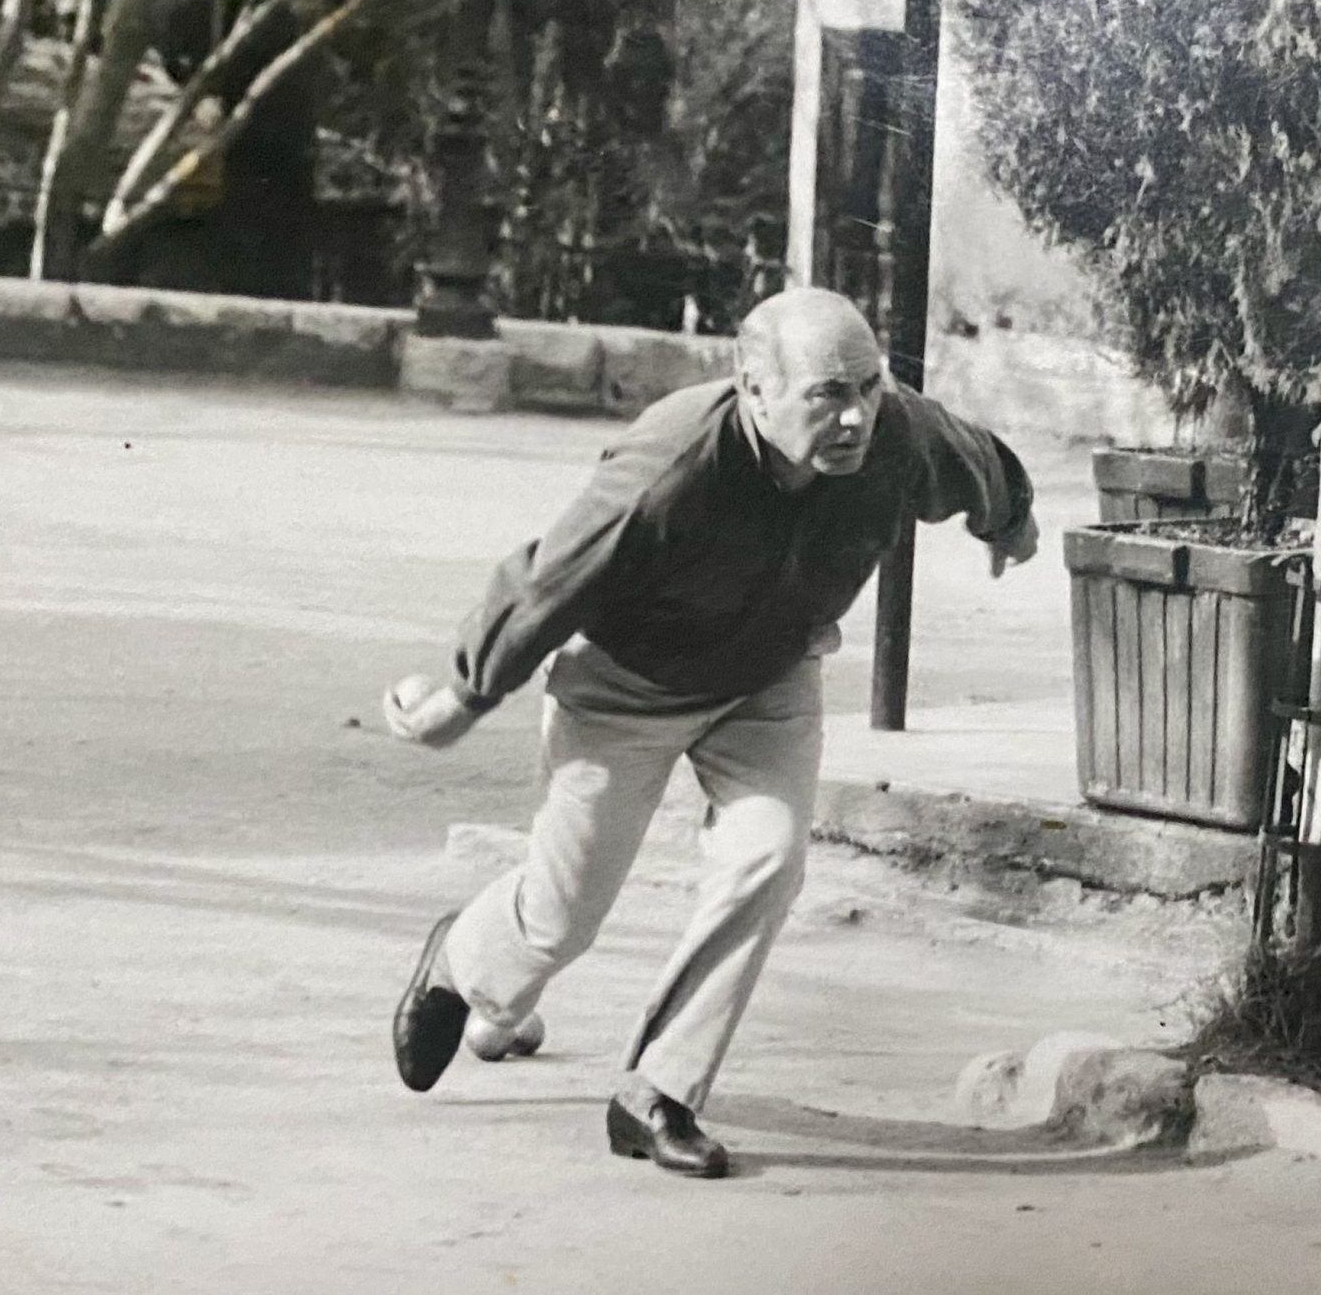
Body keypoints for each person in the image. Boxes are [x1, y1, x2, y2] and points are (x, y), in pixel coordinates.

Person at [380, 287, 1039, 1178]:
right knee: (562, 916)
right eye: (826, 395)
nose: (854, 416)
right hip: (624, 688)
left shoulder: (896, 434)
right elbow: (553, 575)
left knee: (767, 859)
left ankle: (659, 1090)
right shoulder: (673, 459)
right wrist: (465, 691)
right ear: (753, 388)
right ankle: (463, 963)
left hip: (768, 679)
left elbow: (972, 459)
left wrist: (1013, 516)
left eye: (870, 387)